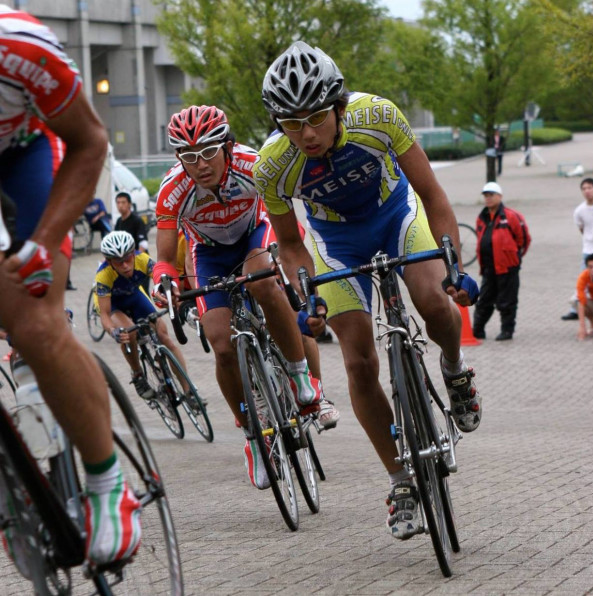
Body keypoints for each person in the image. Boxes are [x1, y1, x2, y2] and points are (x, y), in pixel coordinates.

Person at [255, 41, 481, 540]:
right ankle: (400, 480)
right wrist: (307, 297)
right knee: (358, 362)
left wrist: (454, 264)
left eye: (315, 117)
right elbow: (291, 244)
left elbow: (433, 194)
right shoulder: (272, 166)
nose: (306, 134)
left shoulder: (377, 115)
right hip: (337, 245)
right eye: (291, 124)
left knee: (432, 300)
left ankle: (454, 369)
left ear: (338, 106)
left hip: (397, 216)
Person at [0, 5, 140, 565]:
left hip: (29, 153)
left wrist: (44, 240)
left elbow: (90, 142)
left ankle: (108, 485)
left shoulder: (19, 45)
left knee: (35, 320)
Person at [154, 104, 339, 490]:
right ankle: (253, 432)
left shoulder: (251, 165)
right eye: (189, 157)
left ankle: (300, 376)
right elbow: (165, 256)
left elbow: (286, 218)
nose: (200, 164)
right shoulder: (173, 189)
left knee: (260, 281)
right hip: (209, 253)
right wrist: (165, 280)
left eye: (208, 152)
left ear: (227, 145)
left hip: (256, 233)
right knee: (220, 344)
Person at [94, 231, 190, 399]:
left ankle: (189, 391)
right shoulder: (103, 275)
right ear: (109, 262)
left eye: (128, 258)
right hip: (114, 305)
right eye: (118, 261)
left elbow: (160, 277)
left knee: (163, 335)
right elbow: (105, 315)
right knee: (128, 331)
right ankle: (138, 374)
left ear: (133, 254)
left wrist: (167, 293)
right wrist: (113, 331)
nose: (125, 265)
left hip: (133, 296)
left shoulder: (142, 259)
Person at [472, 182, 531, 341]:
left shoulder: (512, 216)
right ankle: (477, 330)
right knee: (484, 300)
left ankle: (507, 330)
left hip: (507, 267)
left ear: (500, 196)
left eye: (491, 195)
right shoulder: (482, 217)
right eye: (486, 195)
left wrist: (514, 257)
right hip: (488, 267)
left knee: (507, 301)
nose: (488, 198)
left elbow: (524, 240)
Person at [562, 178, 593, 321]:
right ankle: (575, 309)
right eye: (584, 188)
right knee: (583, 279)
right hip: (589, 249)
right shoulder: (579, 211)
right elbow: (582, 229)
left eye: (589, 188)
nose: (587, 191)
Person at [575, 253, 593, 340]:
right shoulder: (583, 277)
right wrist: (582, 327)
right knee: (575, 301)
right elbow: (581, 300)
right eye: (590, 267)